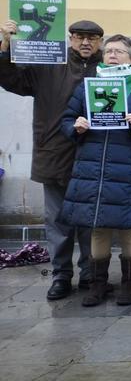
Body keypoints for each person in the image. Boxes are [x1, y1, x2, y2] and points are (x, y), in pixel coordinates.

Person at [60, 35, 131, 306]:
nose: (112, 55)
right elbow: (67, 119)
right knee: (98, 228)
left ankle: (130, 284)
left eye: (120, 51)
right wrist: (77, 126)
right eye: (108, 51)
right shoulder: (88, 86)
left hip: (128, 168)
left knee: (130, 228)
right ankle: (97, 285)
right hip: (93, 166)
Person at [0, 19, 103, 300]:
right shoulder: (49, 64)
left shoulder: (109, 69)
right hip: (54, 154)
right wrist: (5, 46)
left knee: (89, 222)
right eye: (80, 37)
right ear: (69, 39)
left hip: (93, 157)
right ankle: (60, 275)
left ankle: (90, 273)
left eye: (92, 38)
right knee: (57, 222)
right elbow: (11, 79)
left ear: (100, 43)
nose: (85, 43)